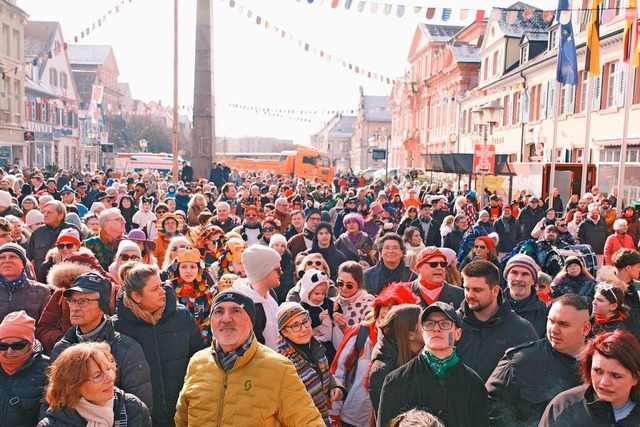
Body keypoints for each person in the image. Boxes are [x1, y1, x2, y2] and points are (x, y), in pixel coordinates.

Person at [175, 289, 325, 426]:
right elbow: (182, 420)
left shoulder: (278, 368)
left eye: (236, 311)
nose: (226, 319)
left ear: (251, 322)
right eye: (219, 311)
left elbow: (309, 422)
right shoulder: (197, 363)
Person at [113, 263, 207, 427]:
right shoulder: (117, 327)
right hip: (140, 420)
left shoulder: (182, 317)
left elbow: (202, 359)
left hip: (184, 415)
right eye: (154, 289)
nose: (163, 292)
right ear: (136, 296)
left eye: (161, 286)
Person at [50, 271, 152, 410]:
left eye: (83, 301)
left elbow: (139, 409)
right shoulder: (61, 350)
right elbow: (53, 401)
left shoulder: (126, 349)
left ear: (102, 308)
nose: (74, 308)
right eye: (72, 301)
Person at [377, 302, 489, 427]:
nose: (436, 328)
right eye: (429, 324)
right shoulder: (397, 380)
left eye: (445, 324)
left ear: (458, 334)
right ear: (423, 332)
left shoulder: (473, 383)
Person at [485, 294, 591, 426]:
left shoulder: (599, 366)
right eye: (551, 321)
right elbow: (489, 402)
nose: (554, 330)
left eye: (564, 324)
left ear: (586, 329)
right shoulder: (520, 361)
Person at [330, 282, 420, 427]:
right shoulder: (360, 332)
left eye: (394, 306)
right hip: (354, 417)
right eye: (385, 305)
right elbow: (338, 371)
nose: (387, 311)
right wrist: (334, 412)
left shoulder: (411, 342)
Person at [456, 260, 539, 382]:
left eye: (477, 290)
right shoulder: (452, 323)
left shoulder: (521, 330)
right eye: (467, 289)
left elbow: (532, 377)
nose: (470, 295)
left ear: (495, 290)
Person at [540, 330, 640, 426]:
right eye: (598, 371)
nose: (604, 382)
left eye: (616, 376)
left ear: (635, 378)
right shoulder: (563, 407)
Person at [38, 342, 151, 427]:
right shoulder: (52, 424)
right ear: (73, 386)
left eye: (109, 369)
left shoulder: (134, 409)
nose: (110, 378)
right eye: (97, 376)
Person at [276, 302, 345, 426]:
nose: (304, 328)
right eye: (295, 325)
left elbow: (322, 373)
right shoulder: (281, 363)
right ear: (284, 332)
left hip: (323, 419)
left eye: (305, 321)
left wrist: (334, 386)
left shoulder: (315, 346)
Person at [368, 304, 423, 415]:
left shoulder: (422, 358)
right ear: (410, 335)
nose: (432, 327)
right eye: (424, 323)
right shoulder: (382, 372)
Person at [0, 310, 49, 427]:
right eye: (3, 346)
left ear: (30, 343)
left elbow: (50, 416)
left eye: (17, 345)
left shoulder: (48, 369)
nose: (9, 351)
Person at [233, 244, 281, 349]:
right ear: (264, 272)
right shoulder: (248, 309)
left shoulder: (270, 294)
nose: (281, 272)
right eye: (277, 269)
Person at [0, 243, 51, 322]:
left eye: (12, 257)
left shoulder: (41, 291)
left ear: (23, 264)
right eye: (2, 257)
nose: (7, 260)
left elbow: (46, 325)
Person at [503, 254, 549, 337]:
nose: (519, 279)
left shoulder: (545, 311)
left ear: (533, 281)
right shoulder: (493, 306)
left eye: (525, 274)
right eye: (514, 273)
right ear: (506, 277)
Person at [598, 249, 640, 340]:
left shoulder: (632, 287)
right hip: (620, 342)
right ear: (628, 268)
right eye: (638, 267)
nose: (639, 270)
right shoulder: (608, 291)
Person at [27, 200, 79, 272]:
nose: (45, 215)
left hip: (68, 276)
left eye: (49, 212)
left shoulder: (72, 230)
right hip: (41, 279)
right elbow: (30, 259)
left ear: (60, 215)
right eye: (44, 212)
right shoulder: (37, 233)